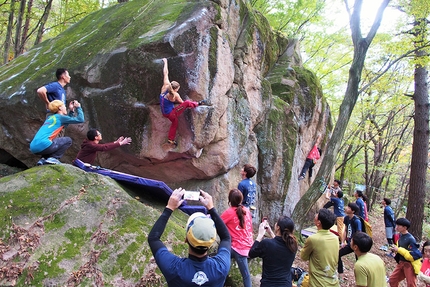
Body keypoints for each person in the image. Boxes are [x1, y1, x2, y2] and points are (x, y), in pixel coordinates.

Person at [147, 188, 231, 287]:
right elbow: (226, 237)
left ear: (186, 239)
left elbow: (153, 238)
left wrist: (169, 208)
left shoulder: (174, 268)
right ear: (211, 242)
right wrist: (211, 208)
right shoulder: (221, 267)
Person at [159, 58, 210, 146]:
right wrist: (190, 103)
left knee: (174, 123)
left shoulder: (165, 87)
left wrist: (165, 62)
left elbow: (166, 73)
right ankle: (198, 104)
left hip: (164, 112)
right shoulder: (175, 95)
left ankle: (171, 140)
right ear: (175, 89)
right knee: (186, 103)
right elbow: (183, 104)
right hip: (171, 114)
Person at [30, 100, 84, 165]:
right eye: (64, 106)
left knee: (51, 141)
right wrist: (78, 107)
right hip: (44, 145)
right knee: (68, 140)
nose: (65, 107)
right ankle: (53, 158)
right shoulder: (60, 117)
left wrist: (71, 111)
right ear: (60, 108)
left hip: (33, 147)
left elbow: (65, 124)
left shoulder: (50, 117)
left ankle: (43, 159)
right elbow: (81, 119)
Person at [248, 215, 298, 287]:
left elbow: (251, 253)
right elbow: (279, 245)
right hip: (286, 284)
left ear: (278, 227)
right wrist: (271, 233)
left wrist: (260, 235)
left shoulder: (267, 244)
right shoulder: (293, 246)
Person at [221, 189, 253, 287]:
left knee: (221, 257)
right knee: (246, 276)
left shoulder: (229, 212)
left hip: (238, 249)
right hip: (249, 246)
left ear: (229, 200)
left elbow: (218, 222)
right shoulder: (247, 211)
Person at [300, 209, 339, 286]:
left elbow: (303, 257)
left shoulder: (313, 239)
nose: (315, 215)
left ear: (318, 223)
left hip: (318, 283)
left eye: (317, 214)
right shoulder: (335, 238)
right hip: (333, 282)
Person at [389, 218, 420, 287]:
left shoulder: (411, 239)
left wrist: (398, 249)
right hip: (401, 263)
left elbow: (413, 255)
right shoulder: (400, 236)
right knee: (392, 280)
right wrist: (395, 250)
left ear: (405, 227)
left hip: (409, 265)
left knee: (411, 284)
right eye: (396, 225)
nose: (396, 227)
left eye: (398, 225)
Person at [338, 202, 362, 276]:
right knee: (338, 254)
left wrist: (354, 244)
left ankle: (361, 275)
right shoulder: (346, 218)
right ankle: (340, 272)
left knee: (359, 261)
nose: (346, 208)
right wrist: (342, 241)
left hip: (356, 244)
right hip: (349, 243)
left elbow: (359, 233)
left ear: (353, 211)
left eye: (348, 208)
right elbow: (345, 230)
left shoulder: (357, 221)